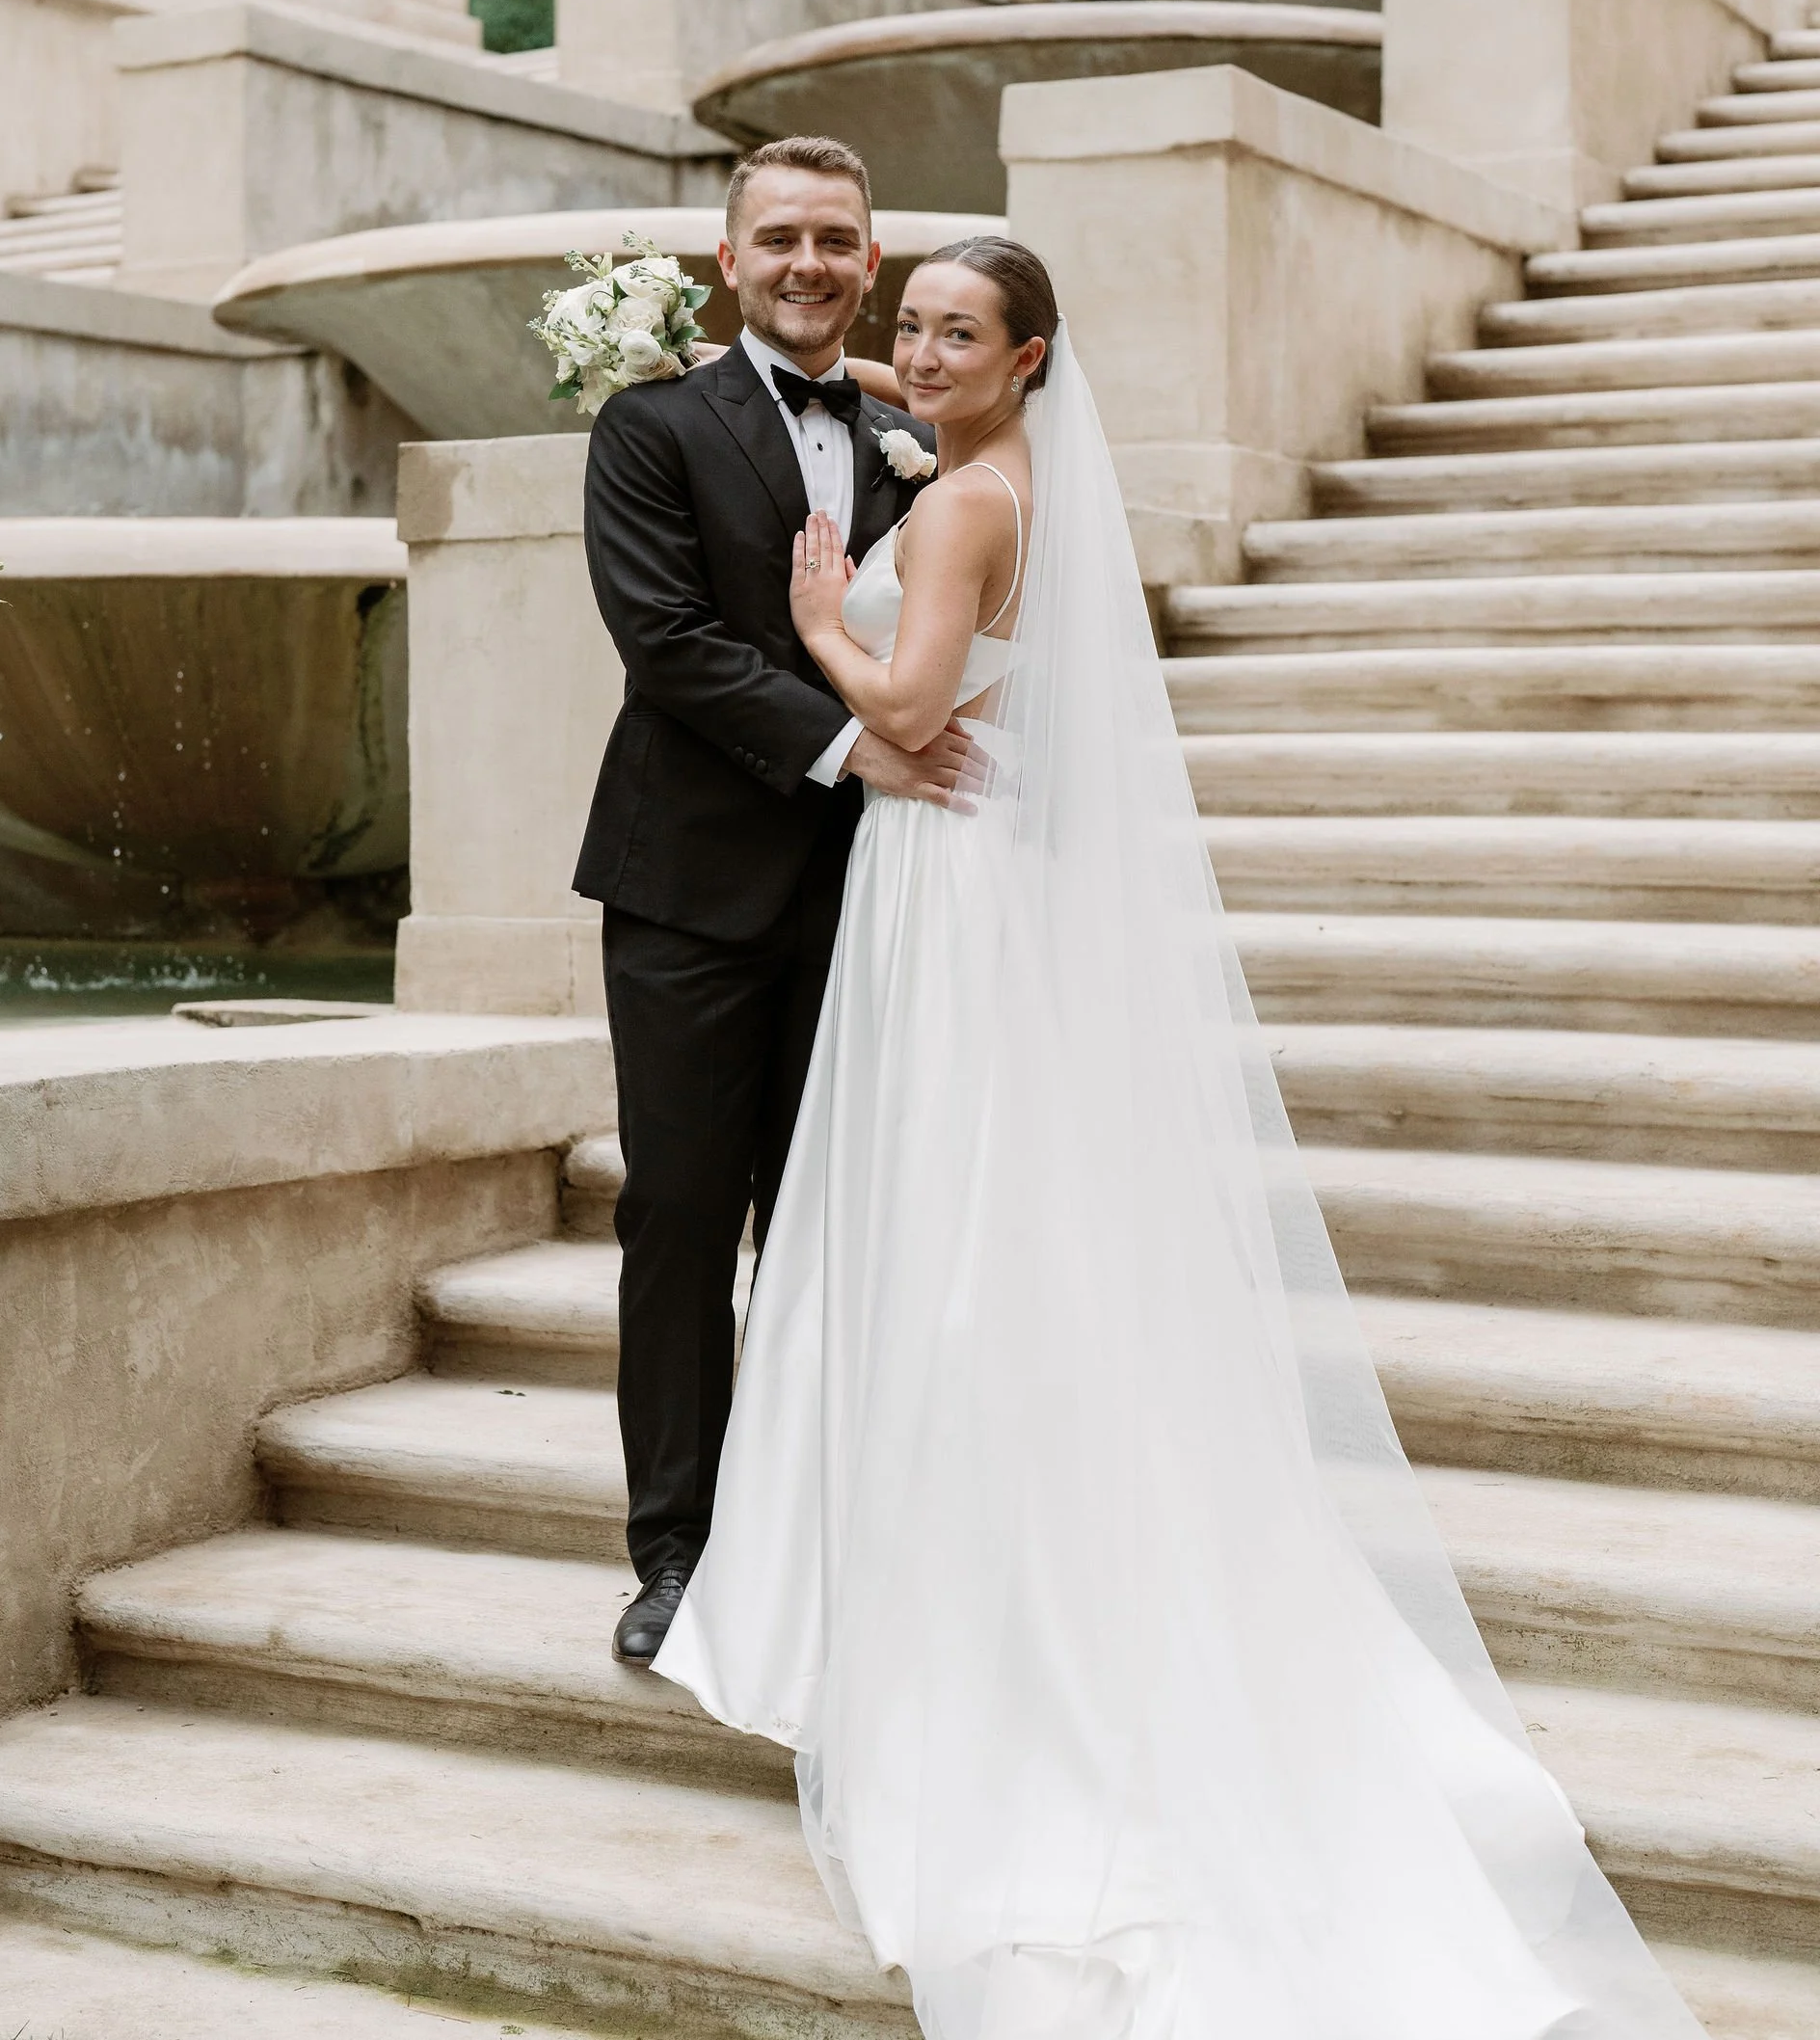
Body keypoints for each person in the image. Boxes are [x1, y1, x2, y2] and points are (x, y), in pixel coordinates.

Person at [656, 238, 1711, 2040]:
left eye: (956, 331)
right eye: (911, 323)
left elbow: (907, 711)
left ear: (1030, 354)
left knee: (953, 1229)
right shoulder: (1009, 479)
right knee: (980, 1230)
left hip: (949, 885)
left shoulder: (972, 501)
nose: (919, 347)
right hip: (966, 876)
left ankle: (973, 1634)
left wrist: (826, 611)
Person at [574, 133, 970, 1668]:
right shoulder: (649, 424)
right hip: (686, 893)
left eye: (837, 240)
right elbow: (663, 638)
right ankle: (678, 1551)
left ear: (871, 266)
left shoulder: (919, 431)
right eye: (781, 238)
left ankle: (829, 1542)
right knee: (681, 1221)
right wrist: (853, 745)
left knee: (832, 1228)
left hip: (878, 902)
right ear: (728, 262)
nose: (809, 262)